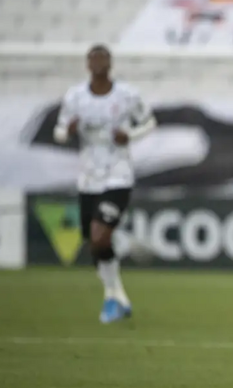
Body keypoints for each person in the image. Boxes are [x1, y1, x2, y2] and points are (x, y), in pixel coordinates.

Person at [54, 45, 156, 324]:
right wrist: (67, 132)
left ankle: (111, 298)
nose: (98, 63)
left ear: (110, 63)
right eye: (94, 58)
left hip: (118, 175)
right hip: (88, 178)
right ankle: (118, 294)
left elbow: (149, 122)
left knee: (99, 236)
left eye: (103, 58)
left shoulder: (127, 95)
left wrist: (130, 135)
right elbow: (59, 131)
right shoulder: (75, 96)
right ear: (87, 64)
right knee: (96, 243)